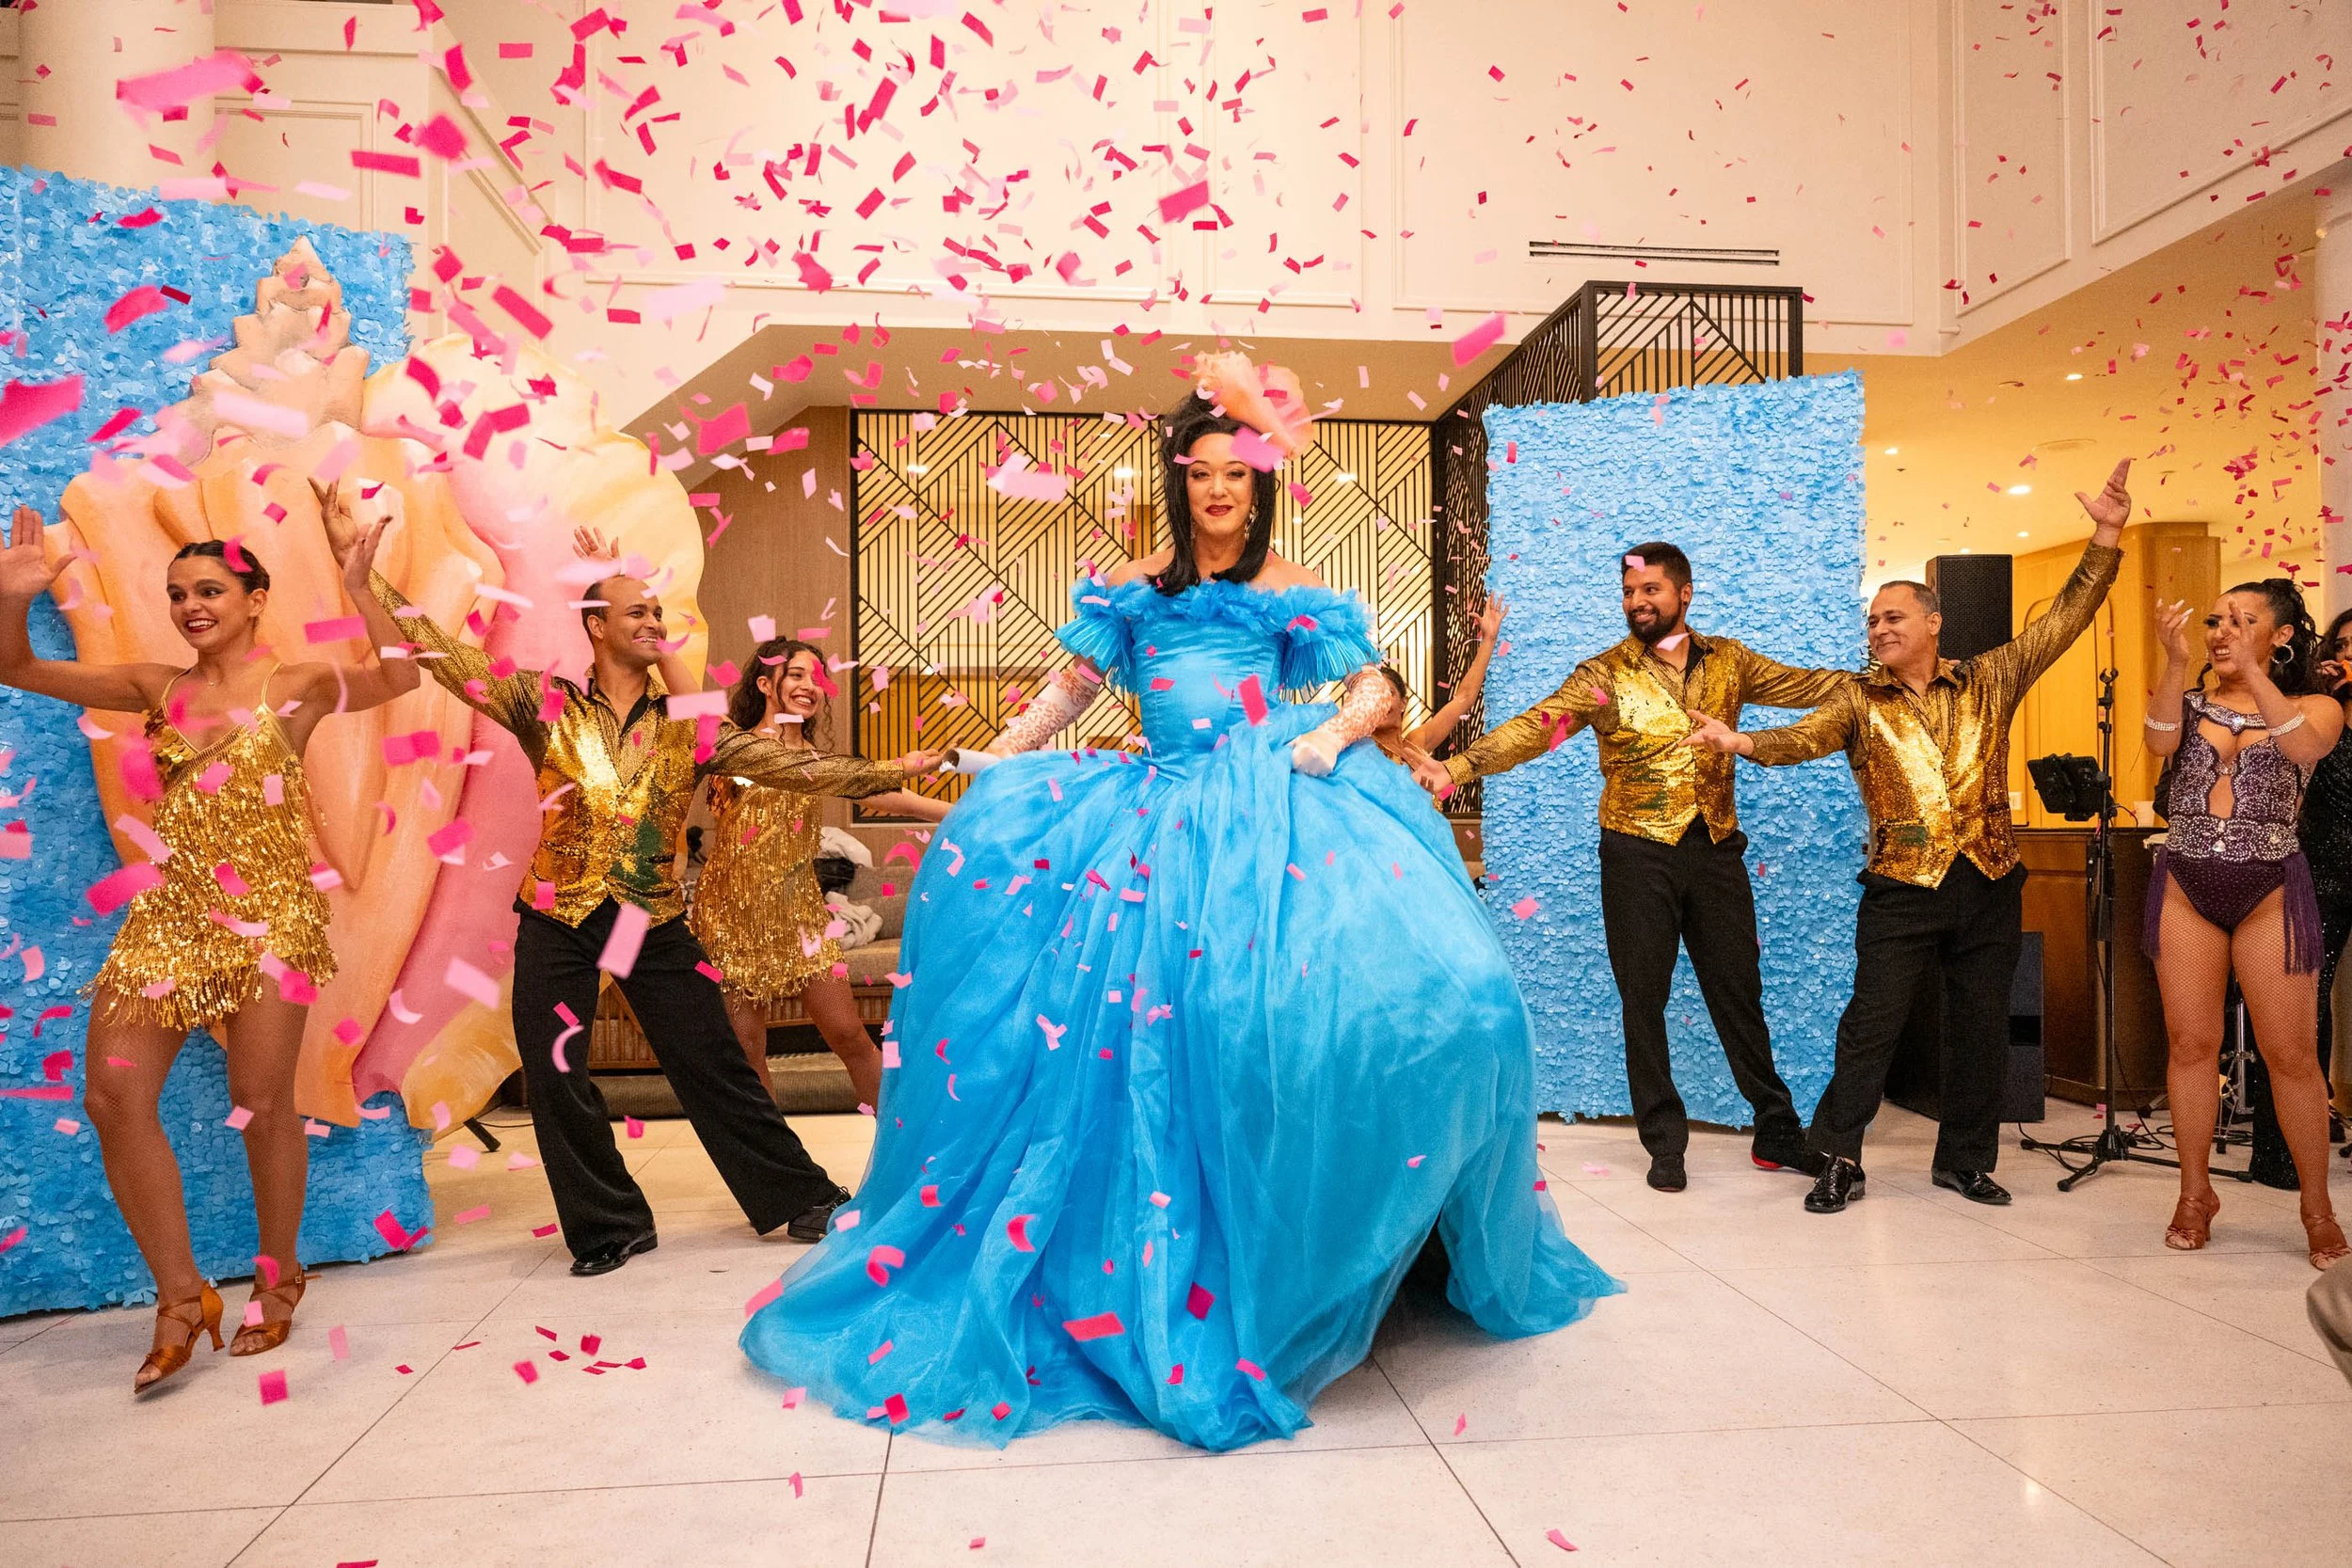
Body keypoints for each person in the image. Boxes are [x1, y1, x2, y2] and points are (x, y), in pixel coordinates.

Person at [739, 390, 1620, 1452]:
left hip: (1275, 801)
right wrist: (993, 760)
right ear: (1179, 481)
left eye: (1235, 474)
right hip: (1153, 820)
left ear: (1259, 486)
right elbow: (1062, 697)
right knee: (1150, 1041)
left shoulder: (1290, 589)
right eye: (1200, 472)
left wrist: (1338, 732)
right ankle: (1183, 1248)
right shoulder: (1136, 594)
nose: (1216, 491)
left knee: (1436, 1005)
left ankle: (1355, 1236)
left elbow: (1378, 681)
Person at [358, 506, 944, 1277]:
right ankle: (609, 1223)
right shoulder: (545, 702)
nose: (654, 623)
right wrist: (358, 577)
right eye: (638, 612)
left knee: (710, 1059)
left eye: (657, 613)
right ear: (595, 626)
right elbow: (440, 653)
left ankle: (796, 1194)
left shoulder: (687, 726)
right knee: (556, 1069)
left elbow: (804, 769)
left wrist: (898, 771)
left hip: (645, 918)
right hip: (558, 915)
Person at [0, 489, 413, 1390]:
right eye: (180, 591)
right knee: (112, 1098)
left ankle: (279, 1272)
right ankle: (182, 1294)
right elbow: (16, 666)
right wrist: (14, 594)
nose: (193, 605)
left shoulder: (295, 685)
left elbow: (400, 675)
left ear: (254, 599)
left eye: (211, 590)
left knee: (262, 1103)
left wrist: (357, 578)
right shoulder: (157, 687)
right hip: (170, 920)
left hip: (271, 922)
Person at [1686, 461, 2137, 1213]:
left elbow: (2062, 621)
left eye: (1894, 617)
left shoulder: (1991, 678)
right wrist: (1743, 743)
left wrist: (2106, 537)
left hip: (1989, 877)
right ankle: (1839, 1158)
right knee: (1871, 1027)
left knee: (1981, 1027)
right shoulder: (1856, 699)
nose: (1880, 629)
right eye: (1872, 620)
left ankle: (1963, 1159)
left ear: (1933, 622)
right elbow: (1803, 736)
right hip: (1900, 884)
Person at [1414, 544, 1848, 1191]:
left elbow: (1812, 685)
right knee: (1643, 999)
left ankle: (1777, 1130)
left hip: (1715, 847)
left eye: (1651, 590)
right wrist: (1459, 767)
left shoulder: (1731, 659)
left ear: (1685, 593)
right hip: (1635, 851)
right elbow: (1539, 726)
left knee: (1739, 992)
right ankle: (1664, 1140)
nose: (1638, 602)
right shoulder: (1604, 673)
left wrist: (1893, 674)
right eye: (1629, 593)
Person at [2138, 582, 2345, 1266]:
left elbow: (2302, 749)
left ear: (2280, 636)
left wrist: (2253, 672)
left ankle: (2316, 1206)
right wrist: (2174, 663)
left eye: (2243, 621)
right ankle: (2194, 1194)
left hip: (2270, 889)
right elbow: (2158, 740)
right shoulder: (2193, 699)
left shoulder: (2318, 705)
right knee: (2191, 1044)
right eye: (2217, 620)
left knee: (2291, 1054)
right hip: (2187, 882)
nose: (2222, 631)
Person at [690, 636, 948, 1107]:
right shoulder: (733, 745)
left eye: (817, 678)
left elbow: (880, 793)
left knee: (850, 1035)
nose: (810, 686)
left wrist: (959, 812)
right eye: (796, 675)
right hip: (731, 918)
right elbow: (682, 700)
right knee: (748, 1053)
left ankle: (894, 1148)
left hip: (801, 914)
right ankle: (776, 1173)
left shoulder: (817, 761)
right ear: (766, 684)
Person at [2249, 607, 2352, 1185]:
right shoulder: (2319, 711)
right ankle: (2279, 1151)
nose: (2350, 654)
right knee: (2298, 1016)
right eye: (2343, 645)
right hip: (2322, 871)